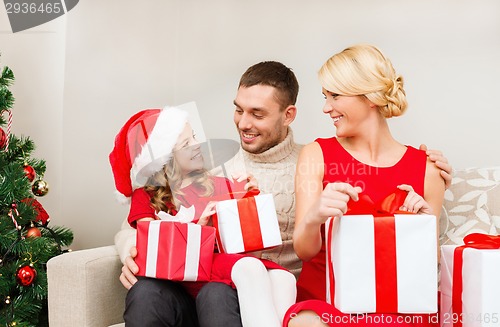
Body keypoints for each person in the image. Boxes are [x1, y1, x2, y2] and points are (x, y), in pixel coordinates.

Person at [114, 61, 453, 327]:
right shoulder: (208, 166)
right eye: (239, 110)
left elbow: (375, 214)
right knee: (146, 291)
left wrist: (427, 170)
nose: (243, 123)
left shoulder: (317, 161)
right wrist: (130, 247)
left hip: (257, 292)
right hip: (203, 278)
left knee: (218, 295)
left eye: (257, 114)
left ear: (288, 115)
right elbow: (151, 210)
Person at [284, 44, 445, 327]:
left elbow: (426, 268)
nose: (326, 107)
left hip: (395, 306)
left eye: (335, 95)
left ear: (370, 97)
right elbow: (304, 251)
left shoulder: (428, 169)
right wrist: (315, 216)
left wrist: (422, 223)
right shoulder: (316, 154)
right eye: (325, 96)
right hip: (327, 301)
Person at [109, 106, 296, 327]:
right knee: (145, 290)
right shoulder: (145, 197)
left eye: (194, 137)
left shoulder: (222, 186)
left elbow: (248, 248)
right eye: (186, 144)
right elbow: (153, 247)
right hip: (177, 293)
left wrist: (251, 198)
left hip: (219, 292)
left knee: (226, 290)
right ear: (165, 159)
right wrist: (199, 227)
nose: (196, 145)